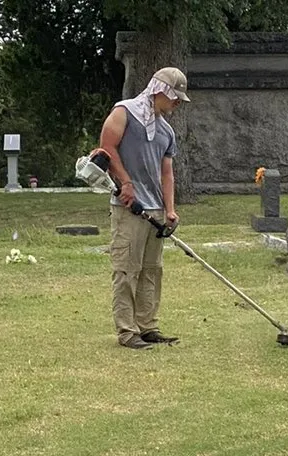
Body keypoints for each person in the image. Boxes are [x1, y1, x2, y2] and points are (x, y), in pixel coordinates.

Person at [90, 67, 191, 349]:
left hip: (155, 209)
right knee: (126, 270)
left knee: (151, 270)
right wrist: (126, 183)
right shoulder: (124, 112)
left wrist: (170, 210)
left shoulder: (166, 131)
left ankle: (147, 326)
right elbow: (106, 150)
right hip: (129, 208)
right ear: (160, 91)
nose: (177, 103)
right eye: (175, 98)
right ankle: (127, 331)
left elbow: (167, 173)